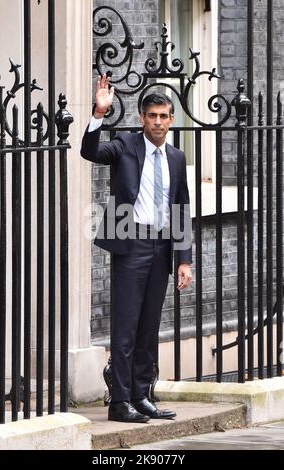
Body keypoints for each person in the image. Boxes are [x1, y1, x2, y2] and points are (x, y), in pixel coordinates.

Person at [81, 74, 192, 423]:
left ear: (172, 119)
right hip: (131, 243)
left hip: (161, 247)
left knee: (149, 326)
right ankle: (120, 401)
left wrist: (184, 259)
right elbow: (90, 151)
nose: (158, 122)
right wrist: (99, 112)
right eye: (152, 116)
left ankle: (143, 395)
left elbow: (181, 208)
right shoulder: (124, 145)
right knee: (126, 326)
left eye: (164, 116)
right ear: (143, 118)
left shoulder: (176, 157)